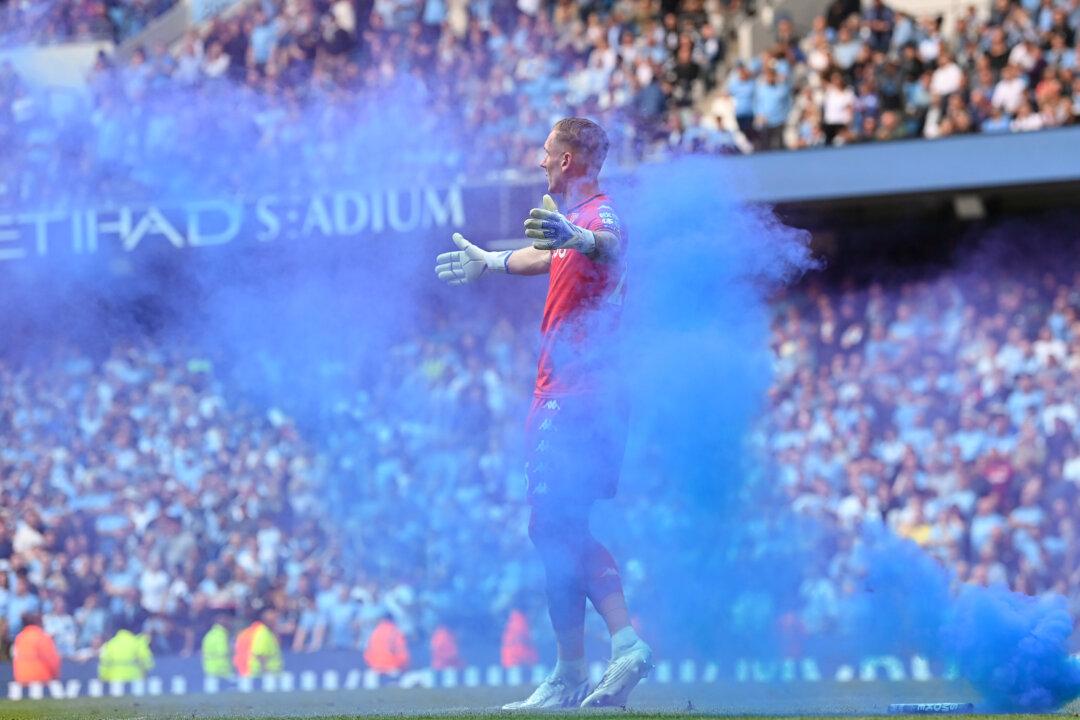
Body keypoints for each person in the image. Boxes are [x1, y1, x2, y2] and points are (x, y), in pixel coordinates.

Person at [434, 117, 652, 709]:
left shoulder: (598, 214)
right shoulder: (571, 222)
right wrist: (491, 261)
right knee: (557, 531)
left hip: (575, 397)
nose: (538, 160)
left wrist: (577, 239)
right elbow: (544, 255)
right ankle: (573, 669)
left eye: (547, 152)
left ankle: (616, 648)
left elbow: (607, 243)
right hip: (588, 396)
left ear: (569, 161)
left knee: (553, 529)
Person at [12, 613, 61, 684]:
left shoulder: (19, 638)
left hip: (21, 679)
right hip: (41, 679)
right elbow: (52, 660)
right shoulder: (42, 637)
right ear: (38, 623)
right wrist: (56, 676)